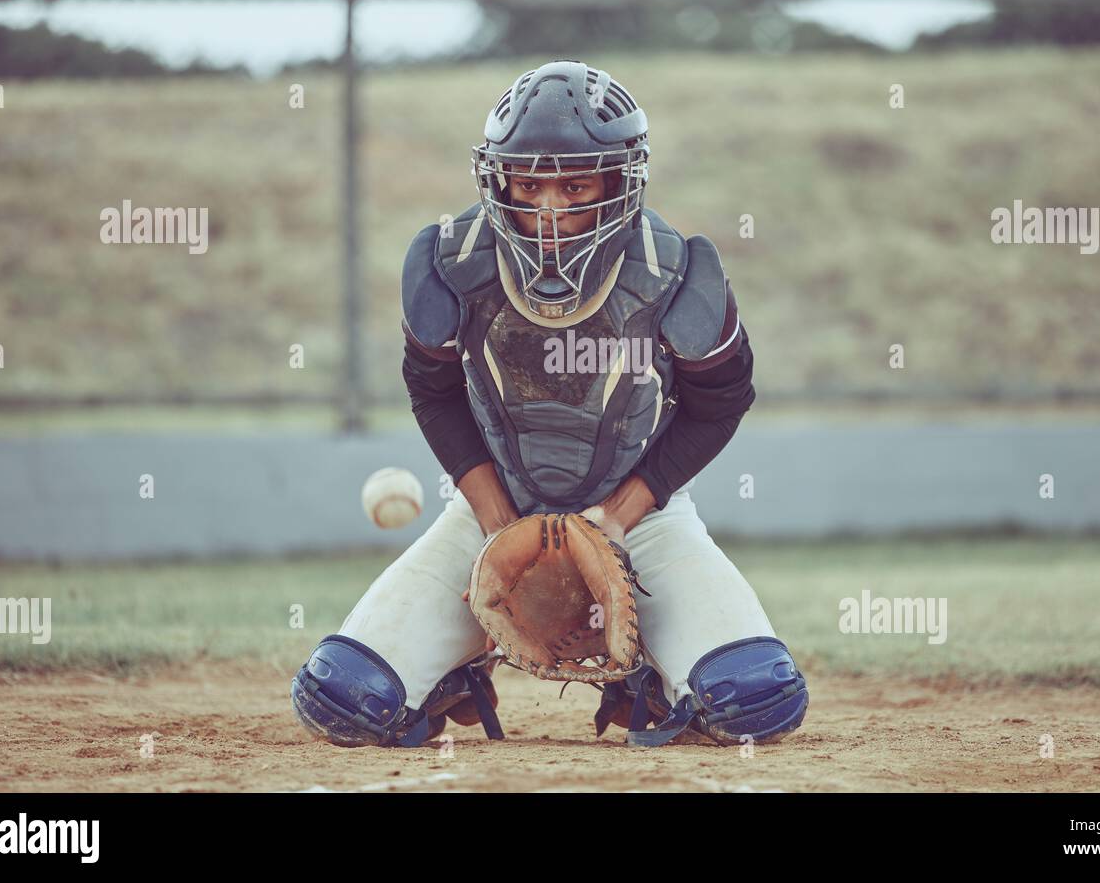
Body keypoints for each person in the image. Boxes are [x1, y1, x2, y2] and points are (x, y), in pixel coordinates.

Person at [291, 59, 808, 748]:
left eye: (575, 183)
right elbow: (435, 390)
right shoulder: (452, 263)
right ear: (497, 178)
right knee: (344, 698)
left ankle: (644, 676)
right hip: (494, 505)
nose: (549, 208)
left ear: (621, 181)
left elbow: (721, 402)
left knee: (755, 700)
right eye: (528, 183)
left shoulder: (677, 273)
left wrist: (619, 518)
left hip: (638, 514)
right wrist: (496, 522)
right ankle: (457, 668)